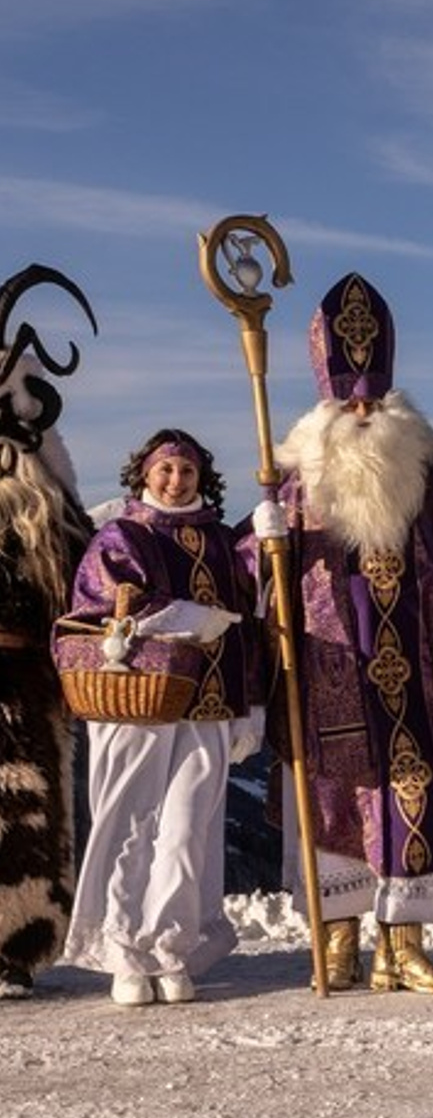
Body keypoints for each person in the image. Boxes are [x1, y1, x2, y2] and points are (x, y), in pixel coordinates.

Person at [251, 272, 433, 995]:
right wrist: (261, 540)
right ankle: (339, 941)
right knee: (333, 798)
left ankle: (405, 946)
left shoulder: (427, 483)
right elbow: (262, 578)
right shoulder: (294, 487)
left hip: (409, 666)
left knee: (409, 793)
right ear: (326, 405)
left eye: (373, 398)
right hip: (332, 671)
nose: (362, 409)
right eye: (348, 399)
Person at [61, 430, 261, 1005]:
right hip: (140, 701)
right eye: (165, 470)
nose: (176, 481)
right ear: (144, 475)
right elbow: (103, 606)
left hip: (209, 703)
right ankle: (124, 950)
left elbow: (254, 613)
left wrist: (252, 704)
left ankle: (171, 947)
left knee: (187, 830)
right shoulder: (122, 535)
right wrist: (185, 616)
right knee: (131, 823)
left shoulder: (222, 542)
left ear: (202, 478)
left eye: (187, 472)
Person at [0, 264, 96, 999]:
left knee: (32, 807)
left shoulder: (51, 504)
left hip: (32, 680)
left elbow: (84, 579)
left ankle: (18, 945)